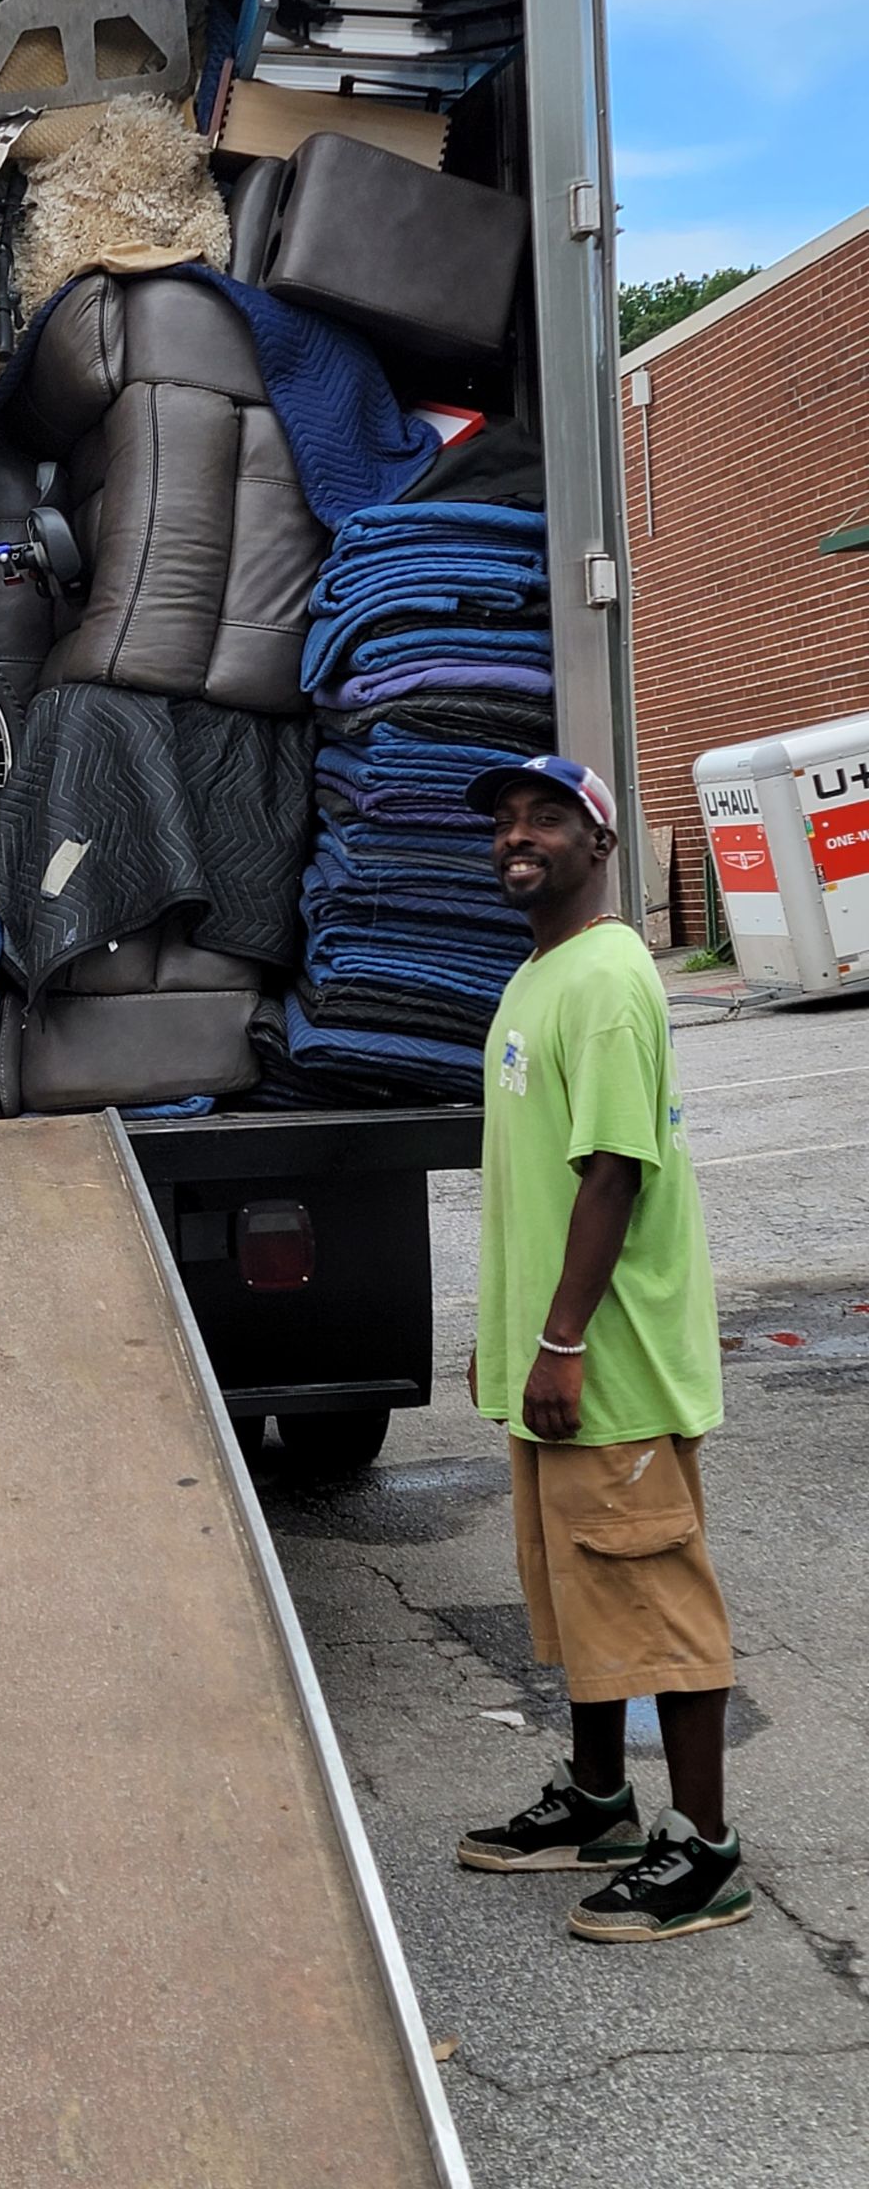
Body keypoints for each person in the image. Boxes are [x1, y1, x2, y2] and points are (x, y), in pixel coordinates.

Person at [456, 756, 748, 1943]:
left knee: (654, 1601)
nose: (519, 837)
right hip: (556, 1360)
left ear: (600, 844)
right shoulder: (539, 972)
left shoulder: (612, 975)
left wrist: (563, 1340)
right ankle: (600, 1804)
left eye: (547, 820)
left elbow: (614, 1169)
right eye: (508, 822)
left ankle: (708, 1855)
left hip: (611, 1365)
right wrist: (505, 1339)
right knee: (581, 1597)